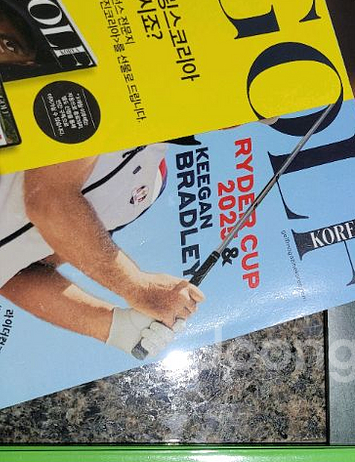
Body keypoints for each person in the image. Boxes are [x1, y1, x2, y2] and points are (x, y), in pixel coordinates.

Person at [0, 146, 204, 357]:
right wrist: (140, 288)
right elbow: (48, 202)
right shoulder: (127, 123)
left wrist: (114, 327)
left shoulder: (154, 185)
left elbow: (20, 272)